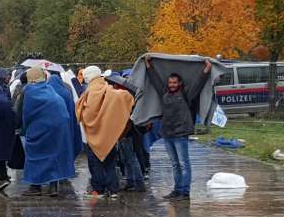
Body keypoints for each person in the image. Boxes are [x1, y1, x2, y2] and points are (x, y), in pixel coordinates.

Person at [145, 56, 212, 202]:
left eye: (174, 82)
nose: (172, 85)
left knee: (183, 163)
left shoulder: (186, 94)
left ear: (179, 83)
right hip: (168, 134)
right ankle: (176, 190)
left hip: (180, 134)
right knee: (175, 164)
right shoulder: (165, 93)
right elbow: (155, 80)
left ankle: (184, 192)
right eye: (170, 82)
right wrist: (149, 66)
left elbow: (198, 84)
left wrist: (206, 69)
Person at [76, 66, 134, 199]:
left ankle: (98, 190)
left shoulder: (91, 91)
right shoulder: (109, 89)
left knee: (95, 164)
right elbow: (126, 98)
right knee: (110, 164)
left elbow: (88, 113)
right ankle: (113, 189)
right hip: (109, 135)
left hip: (93, 135)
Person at [20, 67, 76, 197]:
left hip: (41, 127)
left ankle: (35, 186)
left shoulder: (28, 91)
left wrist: (22, 127)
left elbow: (25, 112)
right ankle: (53, 187)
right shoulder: (50, 88)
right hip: (60, 126)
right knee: (53, 155)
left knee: (35, 155)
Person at [47, 71, 83, 197]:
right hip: (66, 128)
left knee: (52, 154)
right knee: (64, 152)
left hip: (51, 129)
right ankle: (64, 175)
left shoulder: (48, 93)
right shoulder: (66, 93)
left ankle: (52, 182)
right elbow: (72, 112)